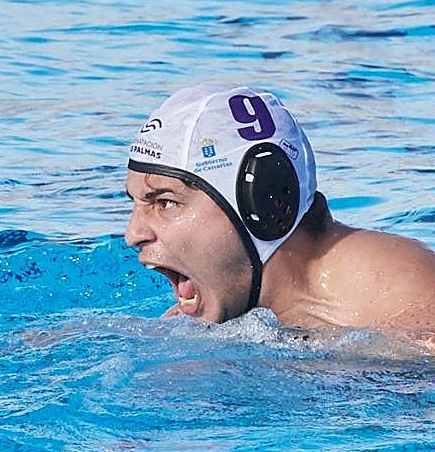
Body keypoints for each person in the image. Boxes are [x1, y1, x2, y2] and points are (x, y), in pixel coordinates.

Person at [125, 81, 435, 341]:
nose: (133, 234)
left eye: (165, 202)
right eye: (135, 203)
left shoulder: (400, 292)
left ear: (263, 199)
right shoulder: (206, 314)